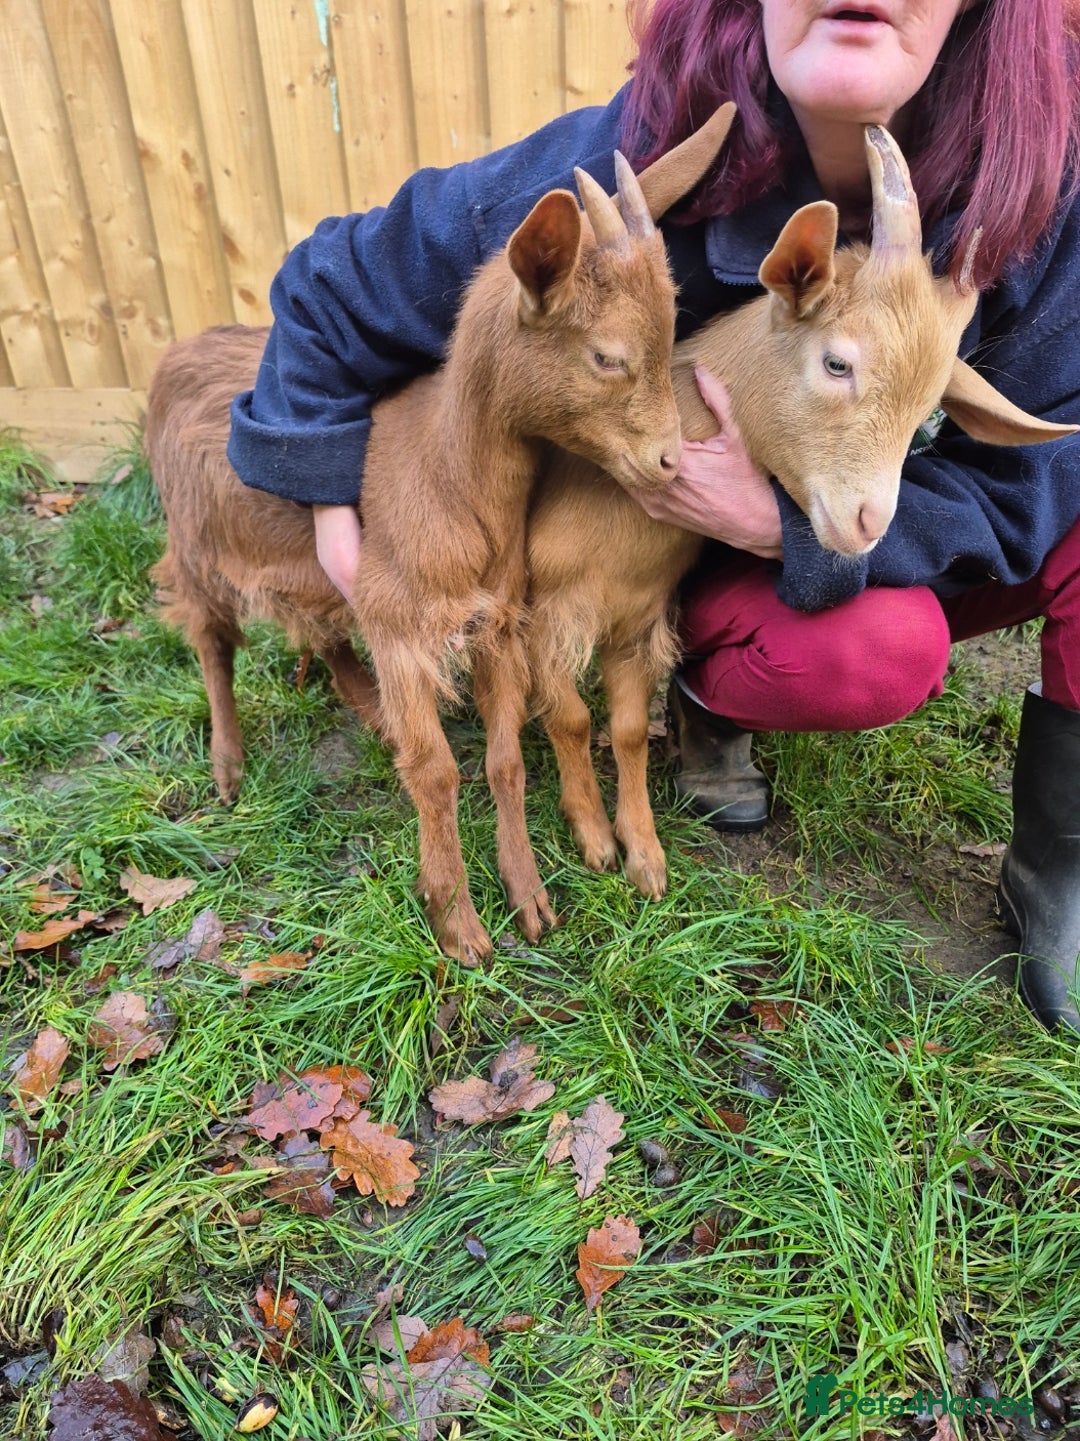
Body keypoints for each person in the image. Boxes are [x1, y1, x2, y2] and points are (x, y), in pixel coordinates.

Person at [228, 0, 1080, 1033]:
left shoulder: (1046, 193)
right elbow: (335, 284)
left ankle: (1061, 866)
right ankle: (707, 698)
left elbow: (1038, 478)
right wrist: (329, 495)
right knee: (861, 650)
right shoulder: (641, 158)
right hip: (639, 538)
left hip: (854, 523)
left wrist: (782, 525)